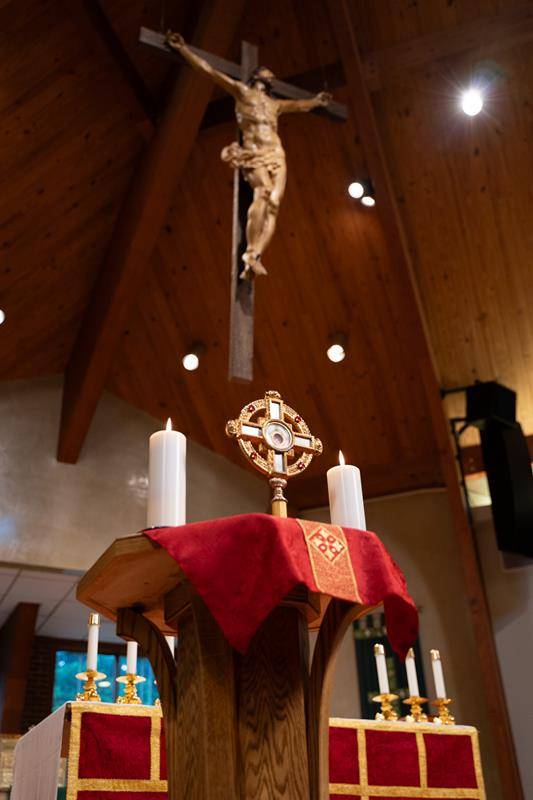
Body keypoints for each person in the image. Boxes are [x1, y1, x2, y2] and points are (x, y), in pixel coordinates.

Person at [166, 33, 331, 278]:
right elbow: (209, 71)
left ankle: (255, 256)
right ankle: (250, 250)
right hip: (254, 154)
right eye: (268, 72)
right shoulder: (242, 92)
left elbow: (299, 106)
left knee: (274, 205)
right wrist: (183, 50)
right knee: (263, 192)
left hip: (276, 154)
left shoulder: (275, 105)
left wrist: (316, 102)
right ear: (257, 76)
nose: (272, 75)